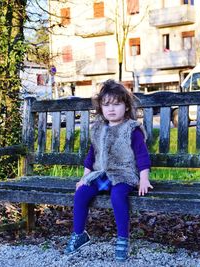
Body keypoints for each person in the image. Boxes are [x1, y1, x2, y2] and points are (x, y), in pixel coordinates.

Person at [64, 79, 153, 261]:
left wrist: (144, 179)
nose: (111, 109)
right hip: (100, 175)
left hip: (123, 174)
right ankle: (79, 234)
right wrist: (84, 178)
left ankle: (122, 239)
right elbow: (91, 156)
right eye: (106, 105)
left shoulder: (131, 129)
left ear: (126, 107)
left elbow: (142, 156)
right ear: (101, 109)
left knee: (118, 195)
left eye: (116, 104)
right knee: (81, 193)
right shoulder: (98, 129)